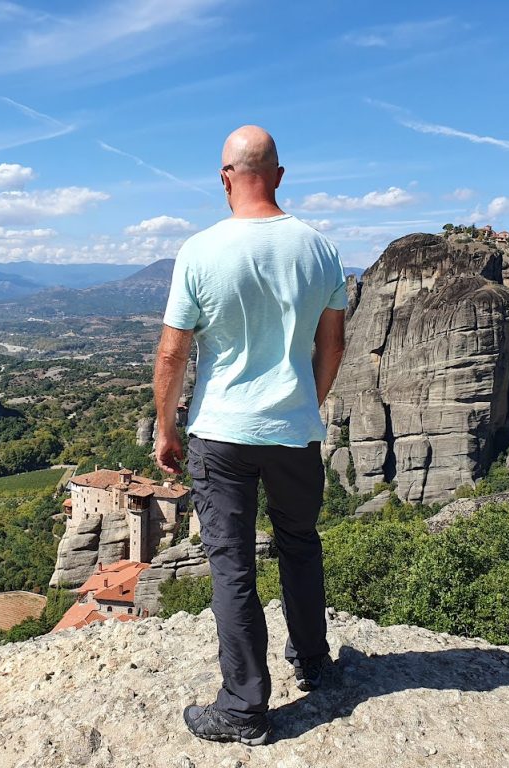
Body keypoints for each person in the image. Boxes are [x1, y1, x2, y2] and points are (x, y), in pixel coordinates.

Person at [153, 125, 347, 746]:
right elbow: (332, 343)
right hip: (293, 430)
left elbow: (171, 354)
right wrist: (305, 405)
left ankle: (242, 708)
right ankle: (313, 661)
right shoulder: (320, 249)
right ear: (281, 176)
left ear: (225, 178)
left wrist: (166, 428)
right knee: (300, 542)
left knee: (233, 566)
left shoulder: (200, 250)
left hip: (221, 432)